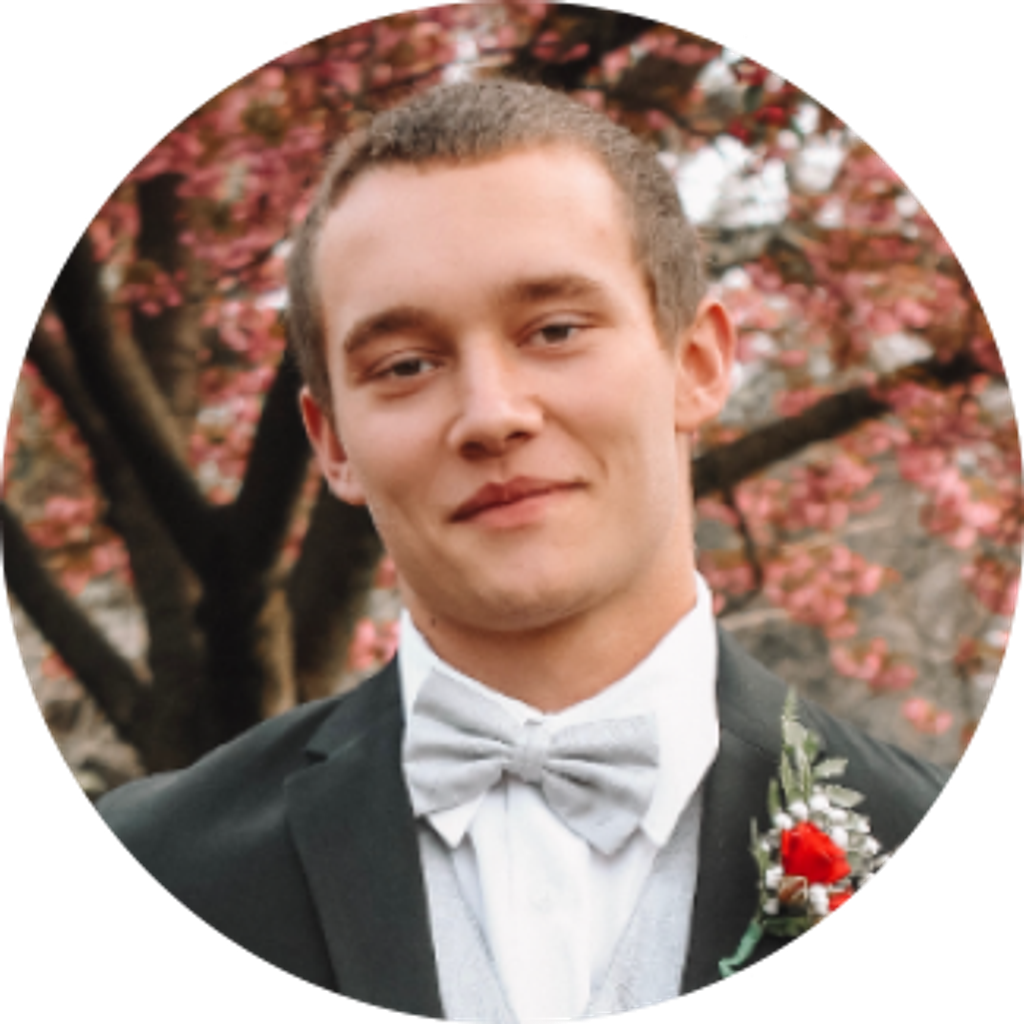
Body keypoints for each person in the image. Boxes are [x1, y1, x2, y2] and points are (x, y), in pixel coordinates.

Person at [95, 79, 952, 1019]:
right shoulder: (157, 862)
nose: (491, 414)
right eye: (406, 365)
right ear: (332, 442)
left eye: (556, 330)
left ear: (698, 364)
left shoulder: (906, 827)